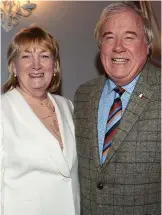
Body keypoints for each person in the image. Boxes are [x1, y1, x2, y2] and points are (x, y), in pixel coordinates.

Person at [74, 2, 160, 215]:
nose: (118, 46)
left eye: (129, 37)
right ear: (99, 46)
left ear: (147, 44)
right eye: (109, 37)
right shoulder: (83, 96)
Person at [1, 25, 80, 215]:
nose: (36, 65)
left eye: (44, 56)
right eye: (26, 56)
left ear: (55, 66)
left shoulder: (67, 106)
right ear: (13, 66)